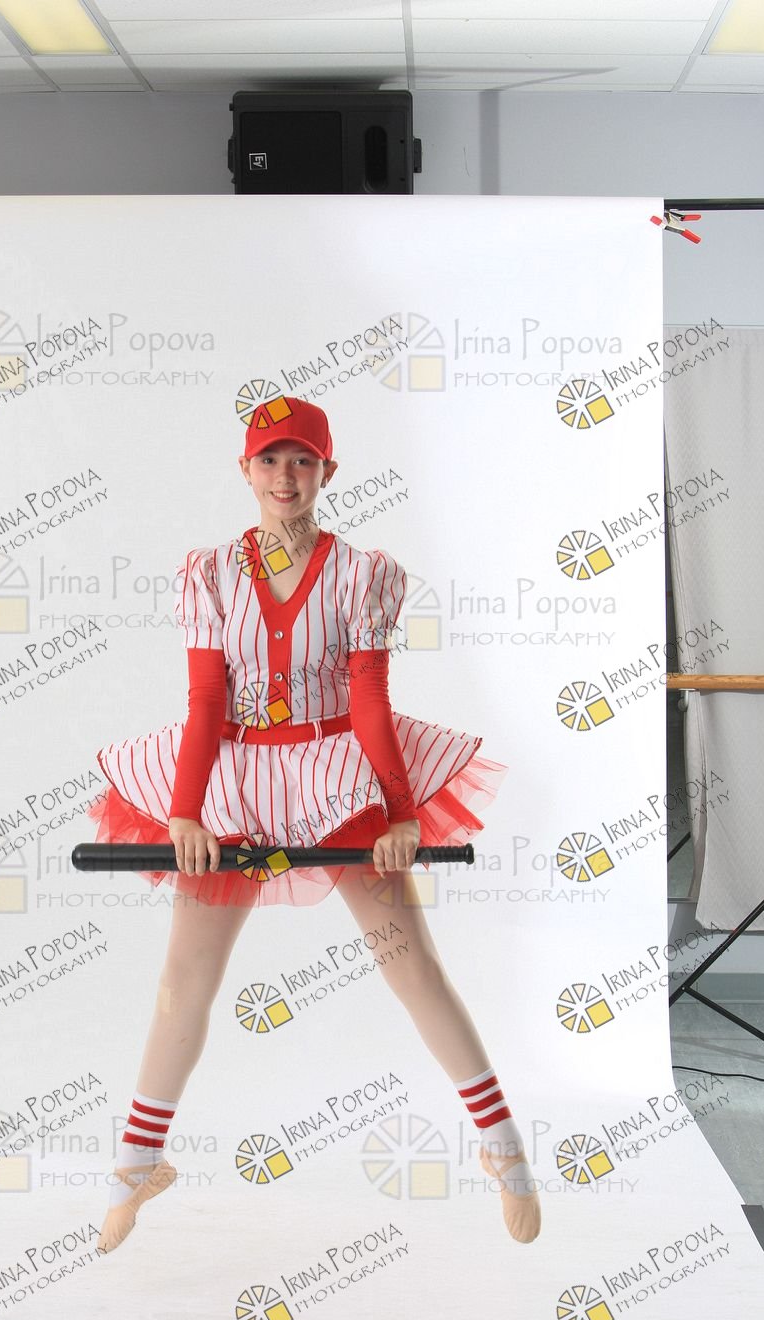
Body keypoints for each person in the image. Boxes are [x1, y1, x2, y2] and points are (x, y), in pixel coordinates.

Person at [87, 396, 541, 1253]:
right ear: (245, 470)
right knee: (184, 980)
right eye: (269, 460)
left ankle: (503, 1144)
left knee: (410, 965)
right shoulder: (210, 572)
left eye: (302, 460)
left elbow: (369, 697)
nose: (285, 477)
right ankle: (137, 1164)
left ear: (328, 470)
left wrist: (399, 814)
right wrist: (186, 811)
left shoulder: (364, 573)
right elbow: (206, 701)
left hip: (338, 773)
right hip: (238, 779)